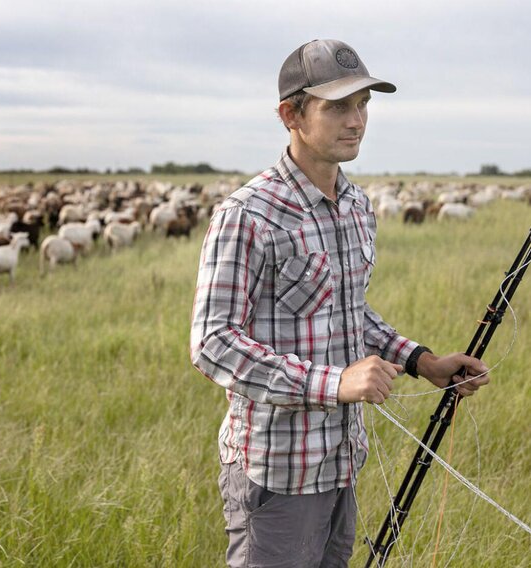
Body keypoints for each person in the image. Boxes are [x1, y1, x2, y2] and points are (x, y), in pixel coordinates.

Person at [189, 38, 490, 568]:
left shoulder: (355, 206)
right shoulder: (248, 214)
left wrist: (423, 361)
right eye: (337, 107)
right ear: (291, 114)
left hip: (341, 463)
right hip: (277, 472)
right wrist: (334, 383)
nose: (357, 121)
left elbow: (348, 313)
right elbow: (212, 344)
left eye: (364, 104)